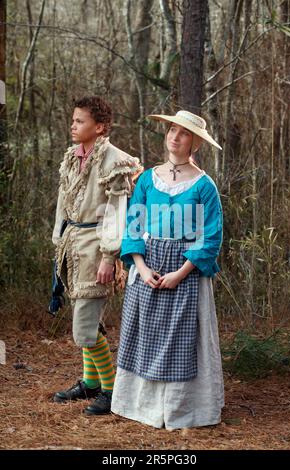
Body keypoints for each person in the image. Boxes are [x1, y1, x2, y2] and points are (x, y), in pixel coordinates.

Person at [111, 110, 224, 429]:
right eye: (172, 130)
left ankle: (180, 409)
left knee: (183, 341)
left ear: (195, 144)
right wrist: (142, 268)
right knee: (144, 334)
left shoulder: (204, 186)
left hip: (185, 270)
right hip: (148, 269)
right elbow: (134, 227)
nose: (175, 136)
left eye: (184, 133)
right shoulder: (147, 179)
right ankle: (143, 406)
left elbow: (211, 235)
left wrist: (181, 272)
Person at [51, 95, 142, 415]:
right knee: (87, 320)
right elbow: (64, 202)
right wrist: (58, 239)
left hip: (96, 246)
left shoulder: (115, 161)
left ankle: (111, 389)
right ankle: (91, 382)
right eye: (73, 120)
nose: (73, 126)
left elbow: (118, 212)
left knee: (85, 329)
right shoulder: (72, 156)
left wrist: (108, 256)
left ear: (99, 127)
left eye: (80, 121)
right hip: (72, 246)